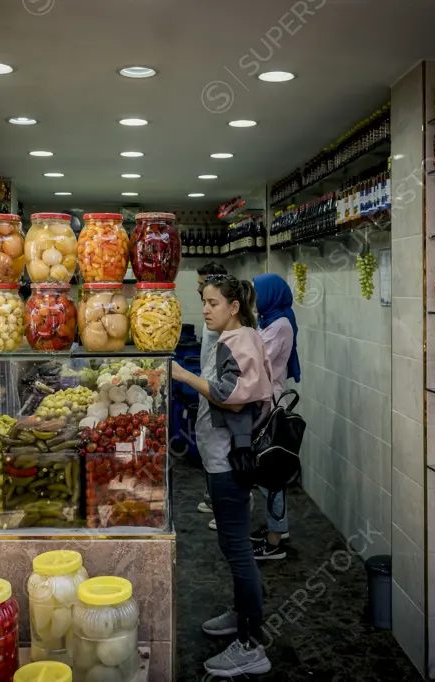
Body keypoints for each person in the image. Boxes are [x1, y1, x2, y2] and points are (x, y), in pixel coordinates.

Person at [172, 274, 273, 677]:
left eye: (213, 302)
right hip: (220, 459)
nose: (206, 310)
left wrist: (183, 376)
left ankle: (252, 645)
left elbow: (232, 399)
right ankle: (240, 614)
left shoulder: (242, 340)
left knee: (238, 550)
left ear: (234, 306)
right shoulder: (232, 339)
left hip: (231, 462)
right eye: (204, 302)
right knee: (232, 548)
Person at [249, 273, 301, 561]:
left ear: (271, 294)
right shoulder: (269, 319)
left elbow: (259, 360)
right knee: (266, 471)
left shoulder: (280, 324)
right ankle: (276, 527)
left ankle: (274, 542)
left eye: (257, 293)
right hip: (265, 398)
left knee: (271, 472)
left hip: (271, 402)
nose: (254, 300)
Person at [195, 262, 228, 521]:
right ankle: (214, 499)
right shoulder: (212, 316)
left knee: (222, 454)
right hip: (208, 384)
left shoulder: (230, 327)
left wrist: (186, 377)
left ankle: (228, 510)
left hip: (218, 390)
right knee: (208, 447)